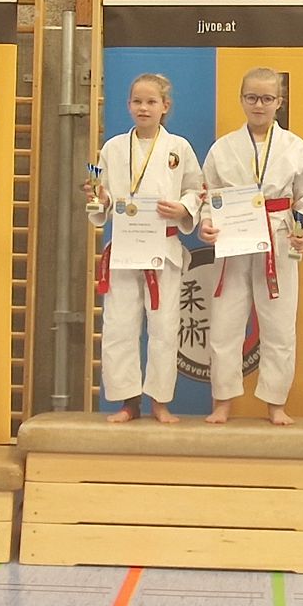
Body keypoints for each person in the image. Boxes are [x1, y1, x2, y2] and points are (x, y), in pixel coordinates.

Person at [197, 68, 303, 426]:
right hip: (233, 238)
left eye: (267, 98)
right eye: (252, 97)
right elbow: (207, 195)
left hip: (279, 237)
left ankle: (275, 403)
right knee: (225, 323)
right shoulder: (223, 148)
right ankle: (223, 401)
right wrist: (206, 223)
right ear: (241, 99)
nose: (259, 105)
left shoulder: (295, 148)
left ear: (279, 102)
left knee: (279, 326)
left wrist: (302, 231)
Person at [87, 73, 204, 423]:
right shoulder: (112, 148)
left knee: (164, 327)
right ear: (128, 105)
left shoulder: (178, 147)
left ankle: (160, 401)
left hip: (162, 248)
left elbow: (196, 189)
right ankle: (128, 402)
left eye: (151, 102)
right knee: (119, 326)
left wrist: (183, 208)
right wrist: (100, 200)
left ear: (165, 106)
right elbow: (102, 196)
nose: (143, 108)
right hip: (124, 247)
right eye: (137, 101)